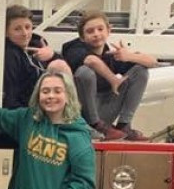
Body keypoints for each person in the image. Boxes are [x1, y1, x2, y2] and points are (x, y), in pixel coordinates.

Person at [61, 10, 158, 141]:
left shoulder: (111, 56)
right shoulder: (73, 48)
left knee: (141, 70)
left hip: (105, 110)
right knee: (85, 72)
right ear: (82, 37)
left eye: (100, 29)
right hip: (81, 113)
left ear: (108, 30)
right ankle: (93, 124)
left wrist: (129, 56)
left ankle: (124, 125)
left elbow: (152, 61)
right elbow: (91, 61)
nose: (96, 34)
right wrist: (113, 79)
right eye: (90, 31)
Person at [3, 4, 71, 110]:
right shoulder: (10, 55)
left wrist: (52, 55)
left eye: (27, 27)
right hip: (29, 108)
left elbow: (65, 71)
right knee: (58, 65)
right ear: (6, 33)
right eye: (17, 29)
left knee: (59, 64)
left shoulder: (37, 43)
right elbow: (11, 94)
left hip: (45, 101)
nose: (25, 33)